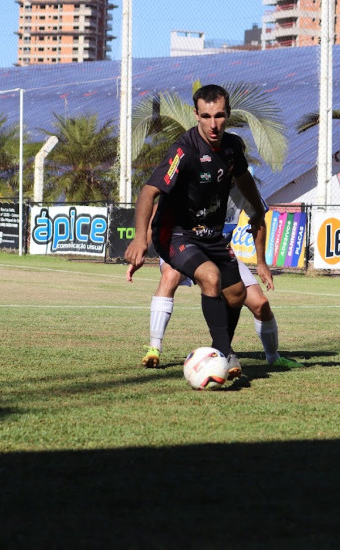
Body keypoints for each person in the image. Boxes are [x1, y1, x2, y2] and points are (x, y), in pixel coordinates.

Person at [124, 84, 270, 380]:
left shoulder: (232, 148)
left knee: (237, 292)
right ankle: (223, 353)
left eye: (219, 116)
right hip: (174, 233)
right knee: (210, 277)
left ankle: (221, 351)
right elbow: (148, 192)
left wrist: (256, 209)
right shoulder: (184, 150)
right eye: (206, 116)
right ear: (196, 115)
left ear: (228, 114)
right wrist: (141, 238)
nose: (213, 124)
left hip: (212, 236)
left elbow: (245, 184)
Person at [129, 256, 305, 370]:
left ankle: (273, 358)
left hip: (218, 250)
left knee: (261, 304)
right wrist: (141, 246)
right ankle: (154, 348)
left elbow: (258, 219)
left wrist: (261, 262)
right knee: (170, 276)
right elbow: (156, 212)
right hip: (182, 246)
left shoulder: (244, 197)